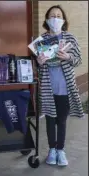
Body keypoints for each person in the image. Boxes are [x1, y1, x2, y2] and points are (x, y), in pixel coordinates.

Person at [36, 5, 84, 166]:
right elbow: (36, 65)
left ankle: (61, 150)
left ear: (63, 20)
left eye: (58, 15)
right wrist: (39, 62)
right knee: (50, 119)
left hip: (65, 88)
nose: (55, 18)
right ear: (47, 20)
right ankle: (52, 149)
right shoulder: (41, 40)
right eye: (52, 15)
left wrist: (68, 56)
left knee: (62, 120)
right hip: (49, 88)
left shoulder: (70, 38)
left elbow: (78, 60)